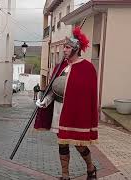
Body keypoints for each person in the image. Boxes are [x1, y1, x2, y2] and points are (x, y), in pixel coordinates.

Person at [34, 26, 98, 180]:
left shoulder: (87, 68)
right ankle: (65, 175)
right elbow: (52, 89)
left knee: (79, 145)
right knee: (62, 144)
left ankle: (91, 168)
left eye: (67, 47)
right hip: (59, 110)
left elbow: (87, 95)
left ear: (76, 49)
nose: (64, 50)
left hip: (75, 112)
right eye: (64, 47)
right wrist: (45, 101)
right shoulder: (60, 66)